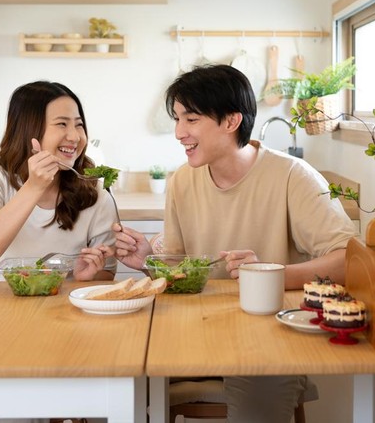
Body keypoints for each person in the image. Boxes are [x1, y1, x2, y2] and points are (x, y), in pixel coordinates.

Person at [113, 64, 357, 423]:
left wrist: (269, 274)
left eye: (191, 119)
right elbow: (183, 272)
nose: (179, 132)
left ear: (231, 121)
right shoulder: (182, 180)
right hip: (193, 331)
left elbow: (350, 261)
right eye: (177, 119)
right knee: (124, 385)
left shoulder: (293, 176)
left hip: (267, 337)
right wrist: (152, 259)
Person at [0, 80, 116, 282]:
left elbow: (107, 273)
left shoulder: (96, 194)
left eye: (79, 124)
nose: (75, 136)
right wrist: (33, 187)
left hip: (67, 307)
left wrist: (89, 276)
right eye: (62, 124)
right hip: (6, 303)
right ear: (29, 130)